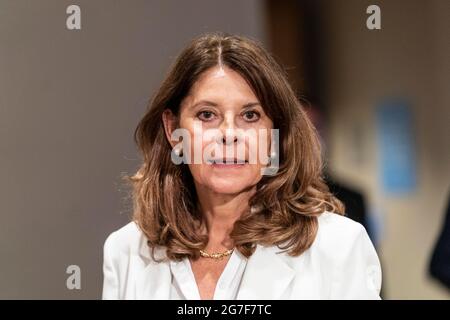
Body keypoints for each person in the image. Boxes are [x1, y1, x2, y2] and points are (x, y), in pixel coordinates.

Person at [102, 32, 382, 300]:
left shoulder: (337, 246)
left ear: (275, 136)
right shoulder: (125, 251)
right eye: (207, 114)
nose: (228, 133)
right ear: (174, 130)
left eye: (250, 115)